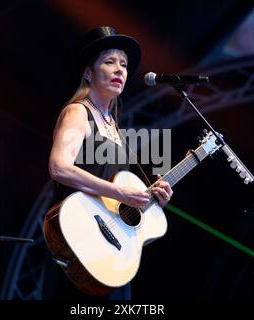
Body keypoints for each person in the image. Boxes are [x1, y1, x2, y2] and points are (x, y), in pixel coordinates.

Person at [42, 26, 173, 300]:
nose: (119, 70)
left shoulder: (114, 126)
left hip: (109, 253)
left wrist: (149, 197)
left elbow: (116, 198)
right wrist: (118, 192)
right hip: (78, 243)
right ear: (88, 72)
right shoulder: (78, 112)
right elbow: (59, 167)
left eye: (123, 65)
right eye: (109, 61)